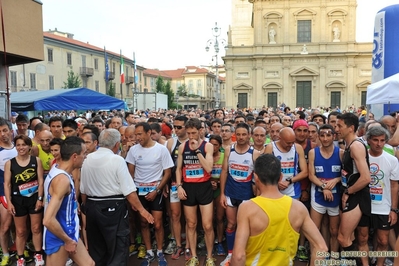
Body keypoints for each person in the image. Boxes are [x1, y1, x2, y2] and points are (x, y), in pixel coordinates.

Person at [230, 154, 328, 265]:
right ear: (280, 177)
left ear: (256, 177)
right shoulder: (298, 208)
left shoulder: (247, 208)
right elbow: (322, 248)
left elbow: (238, 256)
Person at [80, 129, 154, 266]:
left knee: (97, 248)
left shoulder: (87, 159)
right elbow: (129, 191)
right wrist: (142, 210)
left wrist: (86, 207)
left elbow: (83, 190)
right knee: (117, 249)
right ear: (116, 144)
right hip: (113, 207)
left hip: (91, 206)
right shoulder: (117, 160)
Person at [126, 122, 174, 266]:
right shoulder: (133, 150)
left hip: (156, 191)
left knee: (158, 224)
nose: (137, 137)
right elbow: (130, 172)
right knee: (143, 222)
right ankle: (148, 251)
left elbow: (167, 172)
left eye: (140, 134)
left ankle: (159, 251)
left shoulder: (161, 150)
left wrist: (157, 190)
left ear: (148, 133)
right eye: (136, 134)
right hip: (139, 191)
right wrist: (133, 192)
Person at [42, 137, 94, 266]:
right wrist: (67, 240)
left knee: (89, 264)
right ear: (75, 156)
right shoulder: (62, 180)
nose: (85, 157)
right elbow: (48, 220)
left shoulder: (57, 168)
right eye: (84, 153)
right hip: (60, 237)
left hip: (69, 232)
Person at [176, 118, 216, 266]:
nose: (191, 136)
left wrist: (197, 151)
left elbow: (209, 168)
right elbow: (178, 168)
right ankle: (193, 256)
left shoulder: (208, 146)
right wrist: (179, 186)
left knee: (207, 225)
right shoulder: (182, 147)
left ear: (200, 131)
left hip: (204, 187)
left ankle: (210, 256)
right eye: (189, 133)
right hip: (188, 187)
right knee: (191, 224)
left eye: (194, 133)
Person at [357, 126, 399, 266]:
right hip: (363, 206)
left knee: (383, 241)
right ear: (368, 140)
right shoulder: (361, 158)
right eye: (375, 140)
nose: (379, 143)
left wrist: (393, 209)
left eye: (382, 140)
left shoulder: (392, 160)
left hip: (383, 207)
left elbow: (394, 186)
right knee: (362, 239)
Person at [219, 122, 260, 265]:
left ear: (249, 135)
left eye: (244, 134)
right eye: (239, 134)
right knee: (231, 225)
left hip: (247, 196)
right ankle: (230, 255)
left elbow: (258, 176)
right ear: (235, 135)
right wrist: (222, 194)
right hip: (231, 193)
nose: (241, 137)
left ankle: (244, 254)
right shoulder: (229, 150)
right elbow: (224, 171)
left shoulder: (254, 153)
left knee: (246, 227)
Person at [335, 113, 371, 261]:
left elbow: (366, 178)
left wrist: (348, 192)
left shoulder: (356, 146)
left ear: (350, 128)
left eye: (339, 126)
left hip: (356, 196)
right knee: (352, 237)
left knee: (343, 239)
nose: (336, 129)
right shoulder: (349, 145)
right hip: (353, 194)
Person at [4, 135, 45, 266]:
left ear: (29, 146)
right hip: (17, 200)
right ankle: (20, 257)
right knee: (20, 231)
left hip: (34, 198)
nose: (21, 148)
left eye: (23, 145)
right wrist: (9, 203)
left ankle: (38, 254)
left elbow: (40, 180)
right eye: (18, 145)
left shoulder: (36, 160)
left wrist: (40, 198)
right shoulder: (10, 163)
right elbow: (7, 184)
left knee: (36, 228)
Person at [308, 124, 343, 263]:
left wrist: (337, 179)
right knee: (314, 230)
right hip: (318, 196)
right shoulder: (313, 152)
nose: (325, 138)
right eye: (322, 135)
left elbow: (346, 174)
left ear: (333, 136)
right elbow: (311, 175)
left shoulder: (341, 152)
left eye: (328, 135)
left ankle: (333, 258)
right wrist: (324, 186)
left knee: (334, 231)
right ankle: (315, 258)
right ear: (318, 136)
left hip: (336, 198)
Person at [0, 119, 18, 266]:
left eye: (5, 130)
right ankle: (5, 254)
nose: (2, 134)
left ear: (11, 131)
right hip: (2, 192)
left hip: (21, 192)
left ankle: (20, 248)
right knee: (5, 225)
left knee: (21, 225)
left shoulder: (19, 147)